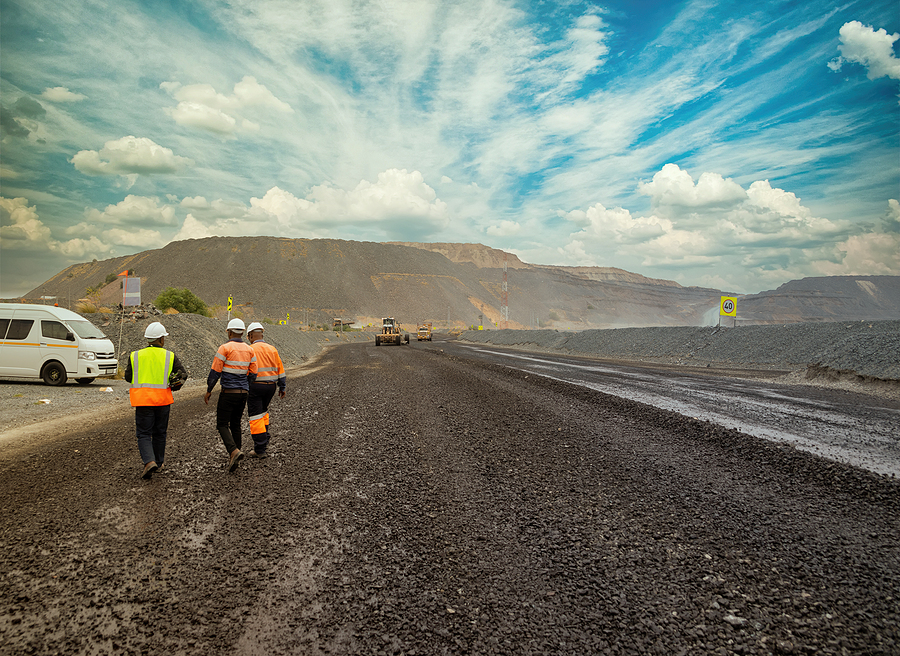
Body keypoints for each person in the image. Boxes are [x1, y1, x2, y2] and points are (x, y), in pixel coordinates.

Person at [125, 321, 187, 479]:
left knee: (144, 434)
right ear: (161, 339)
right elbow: (182, 375)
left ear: (148, 339)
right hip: (162, 401)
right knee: (160, 433)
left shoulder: (135, 355)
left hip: (143, 401)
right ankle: (158, 463)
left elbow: (127, 377)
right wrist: (174, 386)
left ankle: (148, 462)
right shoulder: (169, 356)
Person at [204, 318, 257, 472]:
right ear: (241, 332)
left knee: (222, 424)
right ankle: (235, 457)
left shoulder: (224, 348)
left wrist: (209, 390)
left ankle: (233, 451)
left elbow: (215, 372)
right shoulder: (250, 350)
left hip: (228, 393)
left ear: (230, 332)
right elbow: (253, 374)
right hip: (243, 393)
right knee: (235, 423)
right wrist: (245, 385)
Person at [245, 322, 286, 458]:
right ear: (262, 334)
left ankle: (260, 448)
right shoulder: (272, 349)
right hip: (271, 387)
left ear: (251, 336)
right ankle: (265, 438)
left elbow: (246, 370)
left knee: (255, 416)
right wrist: (282, 386)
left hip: (256, 386)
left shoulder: (250, 349)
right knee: (263, 413)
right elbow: (280, 369)